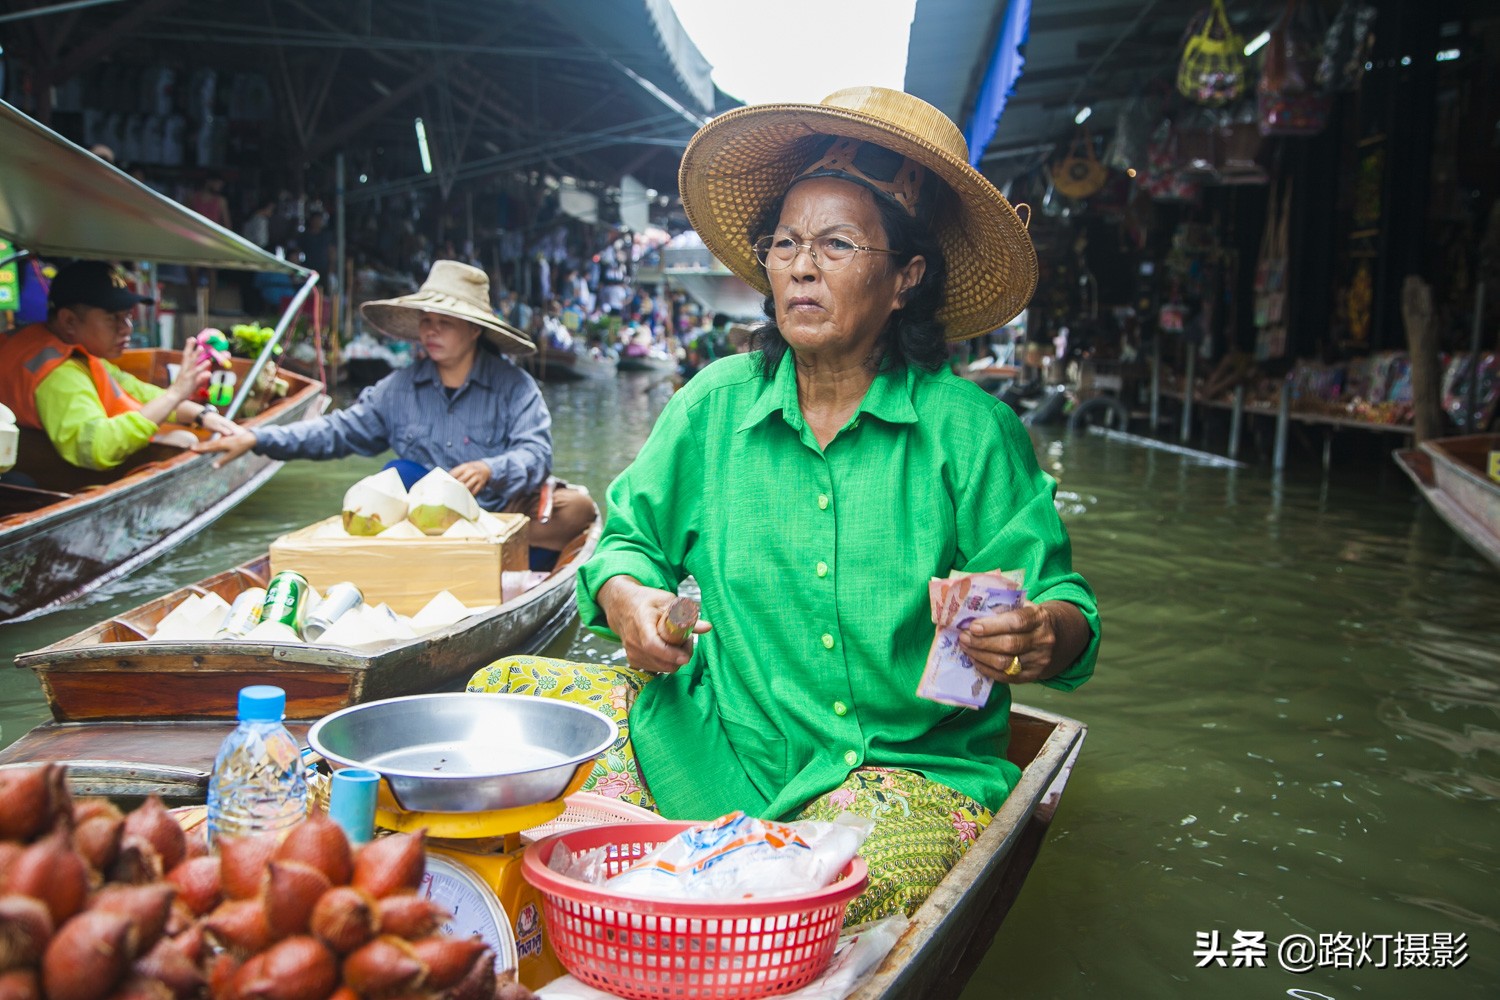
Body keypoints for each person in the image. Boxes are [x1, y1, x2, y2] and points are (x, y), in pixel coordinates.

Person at [466, 87, 1100, 923]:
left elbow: (1066, 612)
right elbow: (624, 545)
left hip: (898, 772)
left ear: (906, 276)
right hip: (721, 732)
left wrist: (1036, 634)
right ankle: (688, 865)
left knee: (810, 891)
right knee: (498, 687)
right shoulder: (713, 405)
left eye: (837, 244)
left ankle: (696, 881)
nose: (802, 266)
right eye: (786, 243)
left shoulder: (971, 432)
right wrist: (633, 604)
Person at [194, 260, 595, 555]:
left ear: (475, 330)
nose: (431, 330)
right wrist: (255, 437)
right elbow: (336, 431)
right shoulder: (398, 388)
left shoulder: (514, 386)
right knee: (397, 475)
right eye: (426, 320)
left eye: (446, 322)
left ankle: (505, 554)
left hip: (502, 513)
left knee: (578, 508)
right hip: (426, 522)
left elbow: (536, 454)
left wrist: (490, 468)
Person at [0, 260, 235, 471]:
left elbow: (135, 390)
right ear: (69, 321)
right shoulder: (60, 374)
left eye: (128, 316)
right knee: (182, 441)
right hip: (50, 478)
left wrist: (202, 414)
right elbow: (96, 448)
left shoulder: (68, 351)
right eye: (113, 318)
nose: (126, 328)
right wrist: (175, 394)